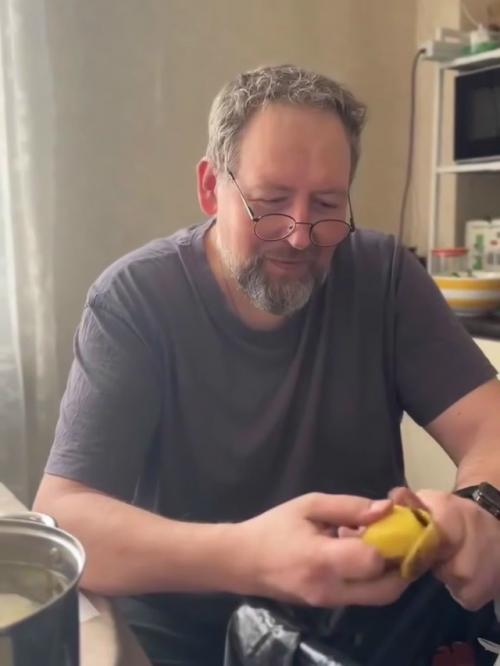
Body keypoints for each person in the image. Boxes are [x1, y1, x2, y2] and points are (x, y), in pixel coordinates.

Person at [33, 64, 500, 666]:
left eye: (327, 204)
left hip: (365, 625)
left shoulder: (383, 276)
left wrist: (479, 506)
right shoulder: (135, 300)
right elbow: (65, 516)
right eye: (270, 203)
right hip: (188, 636)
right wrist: (250, 557)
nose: (300, 236)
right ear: (211, 187)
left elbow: (489, 426)